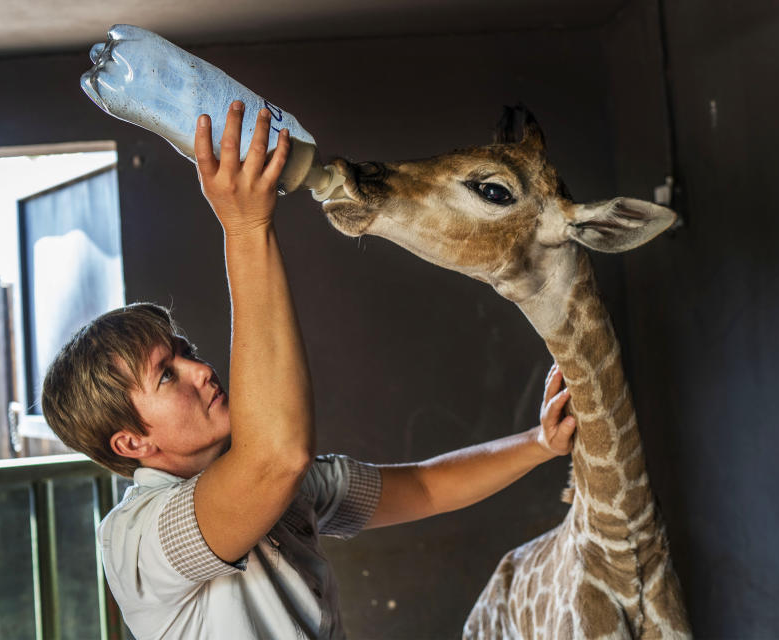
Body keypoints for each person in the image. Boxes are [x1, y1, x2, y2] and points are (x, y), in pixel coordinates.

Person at [41, 101, 577, 639]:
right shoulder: (137, 540)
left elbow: (423, 487)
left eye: (185, 351)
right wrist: (245, 227)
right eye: (166, 375)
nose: (200, 370)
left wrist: (540, 442)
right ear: (131, 443)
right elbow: (275, 458)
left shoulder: (288, 488)